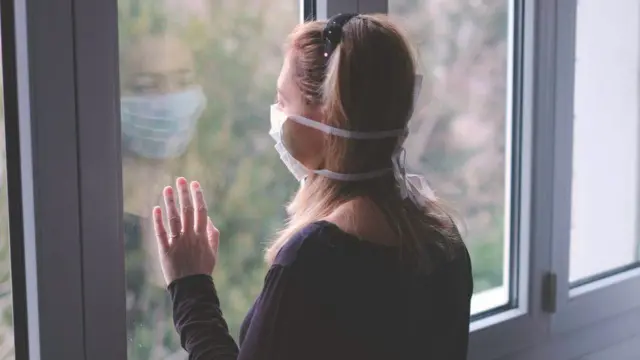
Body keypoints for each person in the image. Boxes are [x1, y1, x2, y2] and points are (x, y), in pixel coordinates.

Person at [152, 13, 473, 360]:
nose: (277, 114)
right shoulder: (443, 239)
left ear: (328, 116)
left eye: (283, 101)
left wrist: (191, 287)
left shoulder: (314, 261)